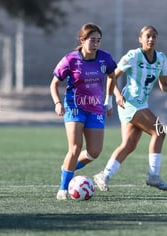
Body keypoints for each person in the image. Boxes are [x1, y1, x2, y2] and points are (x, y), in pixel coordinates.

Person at [93, 25, 167, 192]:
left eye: (154, 36)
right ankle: (153, 176)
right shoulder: (133, 55)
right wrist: (114, 97)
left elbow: (164, 85)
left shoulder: (161, 58)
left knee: (129, 144)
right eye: (147, 36)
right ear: (140, 39)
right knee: (159, 131)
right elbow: (112, 75)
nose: (151, 39)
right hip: (130, 102)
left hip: (142, 103)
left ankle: (104, 175)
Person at [50, 23, 117, 200]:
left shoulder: (105, 58)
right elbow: (54, 84)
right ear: (82, 40)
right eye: (92, 40)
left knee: (94, 151)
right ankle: (63, 188)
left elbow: (112, 76)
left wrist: (108, 101)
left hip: (95, 108)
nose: (96, 44)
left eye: (98, 41)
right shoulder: (70, 59)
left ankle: (68, 167)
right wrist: (57, 103)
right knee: (75, 147)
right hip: (74, 107)